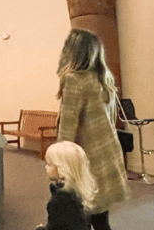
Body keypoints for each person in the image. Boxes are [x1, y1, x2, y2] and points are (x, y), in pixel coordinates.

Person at [56, 29, 130, 230]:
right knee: (101, 219)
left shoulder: (74, 80)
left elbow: (67, 128)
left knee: (80, 220)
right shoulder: (103, 79)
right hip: (107, 155)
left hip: (85, 161)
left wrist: (59, 166)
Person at [35, 141, 97, 230]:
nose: (46, 167)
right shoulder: (80, 190)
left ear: (62, 169)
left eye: (49, 164)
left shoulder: (60, 200)